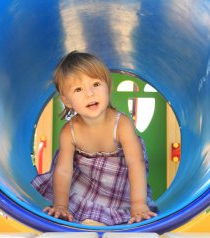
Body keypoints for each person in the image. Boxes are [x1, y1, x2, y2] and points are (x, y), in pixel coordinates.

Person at [31, 51, 157, 225]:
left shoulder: (121, 125)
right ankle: (87, 216)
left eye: (96, 84)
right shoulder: (69, 131)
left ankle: (109, 216)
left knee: (128, 208)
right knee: (61, 161)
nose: (89, 94)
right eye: (78, 89)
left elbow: (136, 164)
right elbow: (63, 171)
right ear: (67, 101)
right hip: (86, 185)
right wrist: (60, 205)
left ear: (108, 87)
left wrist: (138, 206)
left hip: (120, 188)